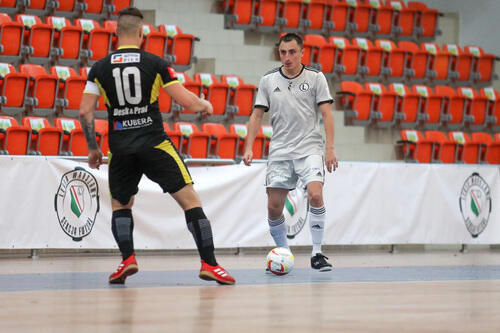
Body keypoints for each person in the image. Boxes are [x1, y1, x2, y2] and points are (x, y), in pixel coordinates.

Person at [79, 7, 235, 285]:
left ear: (116, 33)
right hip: (154, 143)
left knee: (121, 205)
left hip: (121, 147)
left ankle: (127, 259)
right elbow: (185, 100)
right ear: (141, 33)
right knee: (190, 201)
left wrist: (93, 148)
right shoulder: (155, 63)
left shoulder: (99, 68)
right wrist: (204, 104)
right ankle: (210, 264)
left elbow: (85, 112)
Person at [243, 33, 338, 272]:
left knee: (315, 195)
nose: (287, 57)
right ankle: (284, 252)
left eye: (292, 52)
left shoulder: (316, 77)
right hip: (280, 151)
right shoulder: (268, 80)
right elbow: (256, 115)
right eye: (283, 52)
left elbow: (327, 114)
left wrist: (329, 148)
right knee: (274, 208)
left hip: (309, 148)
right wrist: (248, 146)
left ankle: (317, 253)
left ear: (302, 52)